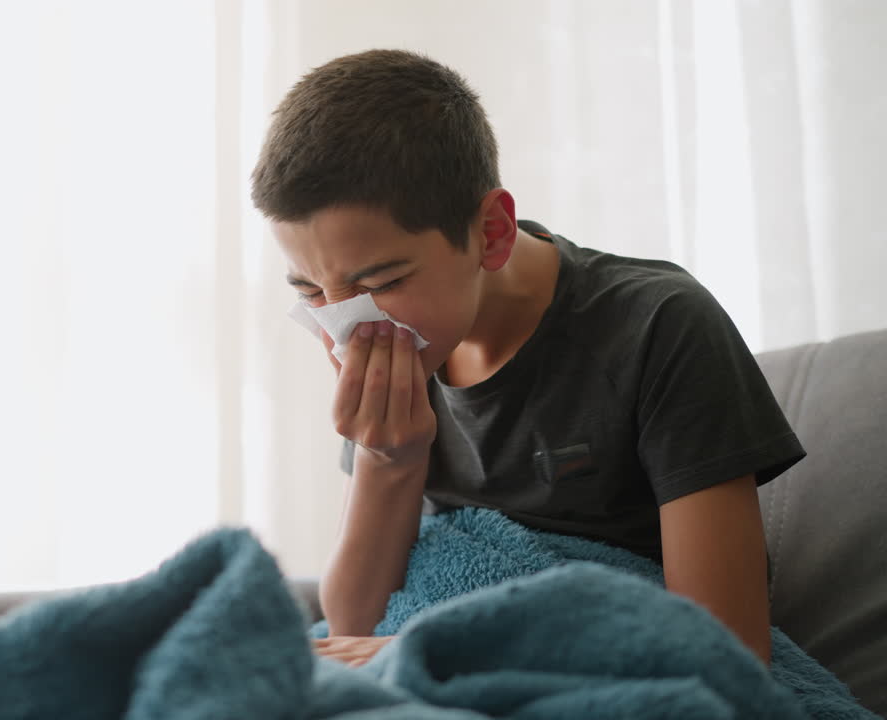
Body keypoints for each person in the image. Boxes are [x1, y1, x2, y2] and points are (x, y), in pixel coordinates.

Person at [249, 49, 804, 668]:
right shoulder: (402, 346)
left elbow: (727, 650)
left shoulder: (658, 326)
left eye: (380, 282)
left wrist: (436, 655)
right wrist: (388, 459)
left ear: (491, 231)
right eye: (310, 292)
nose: (346, 329)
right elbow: (353, 623)